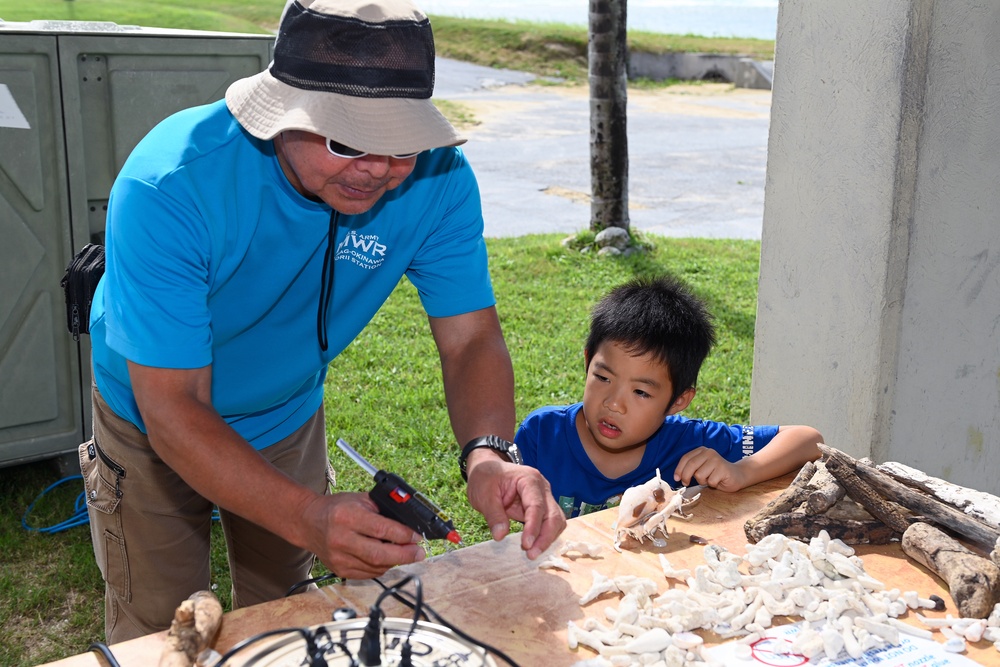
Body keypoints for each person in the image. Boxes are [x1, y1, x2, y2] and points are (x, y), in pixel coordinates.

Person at [80, 0, 565, 643]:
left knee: (288, 614)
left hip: (285, 414)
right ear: (280, 113)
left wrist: (489, 455)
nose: (380, 168)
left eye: (403, 144)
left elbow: (471, 336)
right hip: (149, 419)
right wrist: (307, 515)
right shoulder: (170, 184)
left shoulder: (438, 180)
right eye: (348, 141)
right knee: (160, 630)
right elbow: (174, 409)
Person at [514, 275, 823, 519]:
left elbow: (808, 440)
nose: (613, 403)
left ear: (678, 400)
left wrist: (742, 471)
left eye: (641, 392)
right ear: (587, 362)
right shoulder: (542, 435)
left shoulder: (690, 442)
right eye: (603, 377)